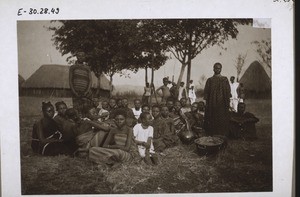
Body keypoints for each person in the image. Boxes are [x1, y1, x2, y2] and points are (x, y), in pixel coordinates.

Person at [204, 62, 231, 136]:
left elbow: (228, 92)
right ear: (213, 69)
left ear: (221, 69)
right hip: (212, 103)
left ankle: (221, 134)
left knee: (221, 118)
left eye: (219, 68)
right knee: (212, 118)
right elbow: (206, 92)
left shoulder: (224, 79)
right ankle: (212, 134)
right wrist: (207, 103)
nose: (217, 69)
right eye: (216, 68)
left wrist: (227, 103)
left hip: (222, 103)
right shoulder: (210, 80)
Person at [69, 51, 93, 118]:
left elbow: (90, 80)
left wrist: (87, 91)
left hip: (85, 93)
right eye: (79, 56)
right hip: (76, 92)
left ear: (85, 57)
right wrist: (74, 92)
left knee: (85, 110)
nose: (81, 57)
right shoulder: (73, 67)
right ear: (76, 57)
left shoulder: (87, 68)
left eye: (83, 56)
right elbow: (70, 80)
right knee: (77, 110)